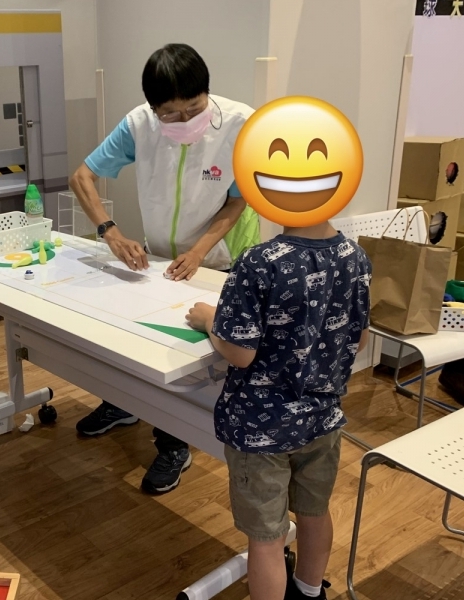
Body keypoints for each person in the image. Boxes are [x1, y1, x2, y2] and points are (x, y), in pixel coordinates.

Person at [68, 43, 260, 494]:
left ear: (207, 93)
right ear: (153, 108)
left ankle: (174, 443)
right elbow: (81, 177)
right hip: (160, 260)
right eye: (170, 113)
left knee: (186, 360)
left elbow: (238, 201)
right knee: (141, 341)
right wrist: (110, 232)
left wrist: (199, 252)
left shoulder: (240, 125)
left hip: (221, 260)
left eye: (193, 108)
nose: (184, 120)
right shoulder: (139, 125)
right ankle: (124, 403)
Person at [185, 222, 372, 599]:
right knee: (314, 512)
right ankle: (310, 592)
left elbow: (240, 352)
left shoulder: (258, 261)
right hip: (323, 418)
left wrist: (209, 320)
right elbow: (361, 338)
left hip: (261, 426)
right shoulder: (355, 255)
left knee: (267, 538)